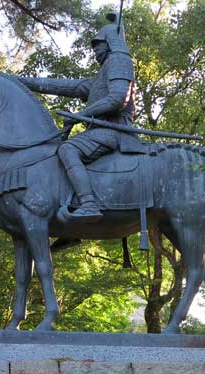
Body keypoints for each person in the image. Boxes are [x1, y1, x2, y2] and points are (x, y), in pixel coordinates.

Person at [18, 13, 141, 222]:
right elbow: (64, 86)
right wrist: (19, 81)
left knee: (68, 149)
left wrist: (79, 115)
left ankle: (88, 203)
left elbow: (117, 99)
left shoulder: (119, 60)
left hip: (113, 130)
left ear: (109, 42)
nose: (94, 50)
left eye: (97, 44)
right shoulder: (100, 77)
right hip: (101, 131)